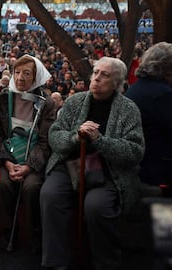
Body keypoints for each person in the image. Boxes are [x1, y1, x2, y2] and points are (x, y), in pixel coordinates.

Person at [40, 57, 145, 270]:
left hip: (108, 172)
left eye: (104, 75)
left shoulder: (128, 109)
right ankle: (54, 263)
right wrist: (74, 138)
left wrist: (100, 140)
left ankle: (105, 263)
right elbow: (55, 136)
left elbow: (135, 151)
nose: (96, 78)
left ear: (117, 83)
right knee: (50, 195)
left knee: (96, 207)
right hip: (69, 166)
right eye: (95, 73)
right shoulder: (74, 101)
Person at [0, 55, 55, 253]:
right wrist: (8, 163)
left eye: (27, 74)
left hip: (33, 159)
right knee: (2, 184)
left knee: (31, 187)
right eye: (17, 72)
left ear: (36, 77)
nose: (20, 78)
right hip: (9, 157)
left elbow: (46, 142)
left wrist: (28, 166)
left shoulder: (46, 103)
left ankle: (34, 232)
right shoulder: (3, 99)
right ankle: (7, 230)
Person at [125, 42, 172, 192]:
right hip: (157, 172)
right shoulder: (162, 95)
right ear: (166, 68)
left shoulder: (136, 89)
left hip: (138, 167)